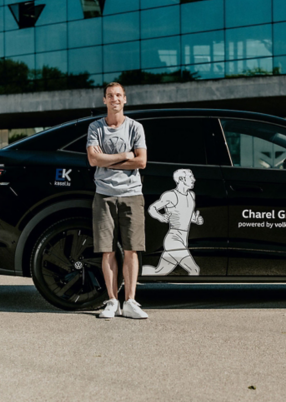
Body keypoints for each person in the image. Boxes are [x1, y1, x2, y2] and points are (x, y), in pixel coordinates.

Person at [86, 82, 148, 319]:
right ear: (104, 100)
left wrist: (106, 159)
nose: (115, 99)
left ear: (125, 99)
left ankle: (130, 301)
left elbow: (141, 161)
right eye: (110, 95)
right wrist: (124, 155)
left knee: (132, 250)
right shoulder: (95, 127)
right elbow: (93, 160)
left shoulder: (135, 127)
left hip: (132, 193)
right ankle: (112, 301)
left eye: (119, 95)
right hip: (104, 194)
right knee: (107, 251)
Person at [142, 169, 203, 276]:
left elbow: (187, 214)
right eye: (190, 177)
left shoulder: (191, 195)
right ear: (181, 179)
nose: (194, 179)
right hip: (174, 239)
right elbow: (152, 208)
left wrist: (196, 220)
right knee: (194, 270)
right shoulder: (171, 195)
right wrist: (161, 217)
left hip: (184, 239)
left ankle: (134, 273)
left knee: (158, 272)